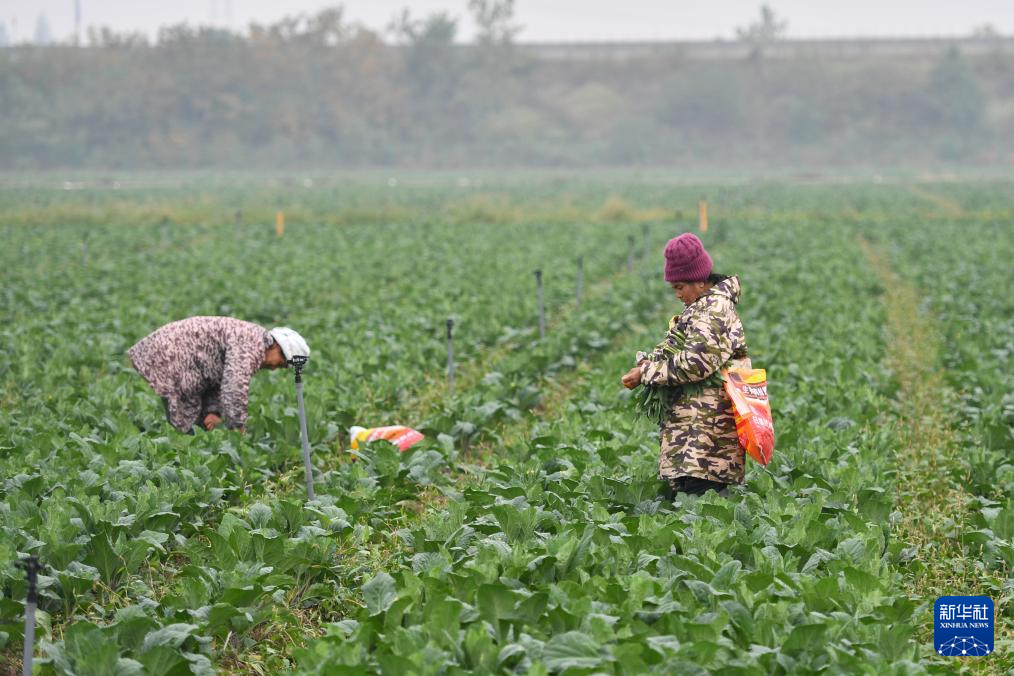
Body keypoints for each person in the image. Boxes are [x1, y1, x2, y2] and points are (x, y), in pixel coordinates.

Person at [622, 233, 750, 498]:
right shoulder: (701, 308)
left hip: (707, 442)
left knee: (705, 508)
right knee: (690, 510)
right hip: (694, 438)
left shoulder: (714, 310)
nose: (678, 294)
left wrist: (646, 373)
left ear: (700, 281)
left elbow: (695, 363)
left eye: (680, 287)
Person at [127, 316, 309, 433]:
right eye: (281, 362)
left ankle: (186, 455)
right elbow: (234, 386)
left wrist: (213, 411)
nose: (276, 367)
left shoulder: (253, 342)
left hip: (179, 357)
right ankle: (181, 461)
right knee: (186, 423)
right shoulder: (251, 344)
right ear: (277, 347)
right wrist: (237, 427)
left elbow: (218, 375)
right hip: (170, 354)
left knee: (195, 421)